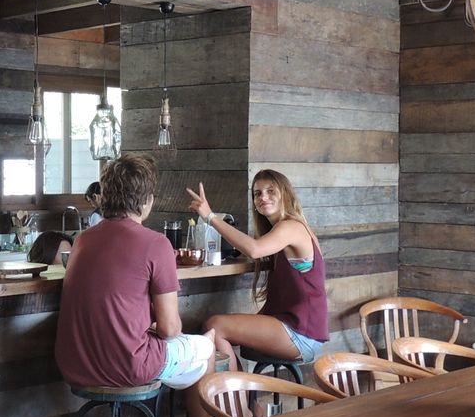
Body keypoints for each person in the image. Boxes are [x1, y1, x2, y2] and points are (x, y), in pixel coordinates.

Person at [54, 155, 213, 395]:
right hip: (128, 366)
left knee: (177, 352)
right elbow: (169, 329)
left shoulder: (82, 240)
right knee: (206, 347)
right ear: (147, 200)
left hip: (74, 365)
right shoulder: (156, 244)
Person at [187, 170, 328, 372]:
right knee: (217, 328)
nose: (263, 197)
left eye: (271, 191)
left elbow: (254, 249)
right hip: (296, 327)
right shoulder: (280, 230)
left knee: (215, 326)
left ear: (285, 194)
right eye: (257, 193)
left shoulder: (292, 227)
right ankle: (242, 396)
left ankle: (236, 401)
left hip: (301, 333)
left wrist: (210, 217)